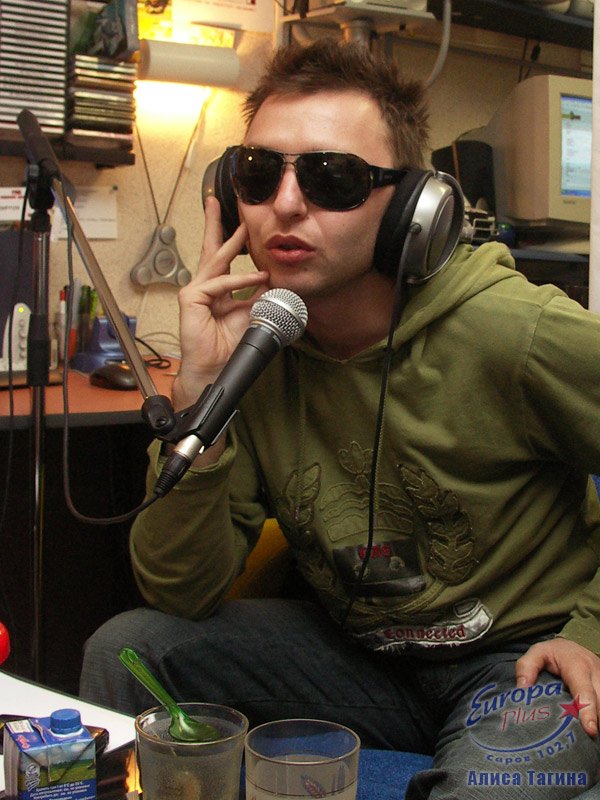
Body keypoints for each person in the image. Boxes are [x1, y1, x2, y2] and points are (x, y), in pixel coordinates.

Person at [80, 39, 600, 797]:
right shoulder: (256, 351)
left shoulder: (513, 330)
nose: (287, 205)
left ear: (415, 211)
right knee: (129, 648)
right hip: (359, 657)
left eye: (333, 178)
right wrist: (201, 395)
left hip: (519, 664)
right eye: (259, 174)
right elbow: (180, 591)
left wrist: (592, 633)